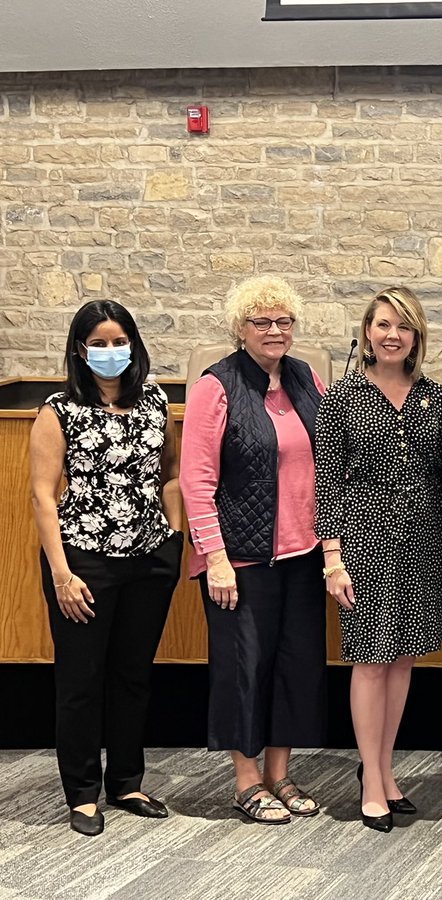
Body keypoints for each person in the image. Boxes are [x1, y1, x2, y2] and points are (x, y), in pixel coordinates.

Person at [29, 300, 184, 837]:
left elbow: (169, 473)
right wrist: (61, 573)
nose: (111, 352)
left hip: (149, 558)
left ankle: (126, 781)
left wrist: (175, 535)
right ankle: (82, 792)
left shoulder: (155, 402)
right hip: (83, 561)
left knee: (132, 675)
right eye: (100, 343)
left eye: (120, 342)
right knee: (81, 679)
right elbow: (43, 498)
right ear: (80, 349)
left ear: (134, 346)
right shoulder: (58, 409)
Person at [315, 287, 442, 833]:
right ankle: (371, 784)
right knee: (370, 658)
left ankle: (383, 769)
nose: (392, 334)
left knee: (403, 660)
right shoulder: (341, 399)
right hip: (364, 541)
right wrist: (333, 559)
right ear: (367, 334)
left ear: (416, 335)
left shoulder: (436, 398)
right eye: (382, 325)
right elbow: (327, 482)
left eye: (403, 326)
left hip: (424, 538)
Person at [179, 276, 327, 826]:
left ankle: (279, 774)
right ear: (240, 328)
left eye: (283, 321)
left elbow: (326, 457)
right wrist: (214, 556)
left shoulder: (305, 377)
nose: (273, 331)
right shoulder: (215, 386)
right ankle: (246, 781)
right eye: (261, 322)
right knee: (247, 668)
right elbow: (195, 480)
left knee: (294, 666)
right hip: (240, 558)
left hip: (302, 551)